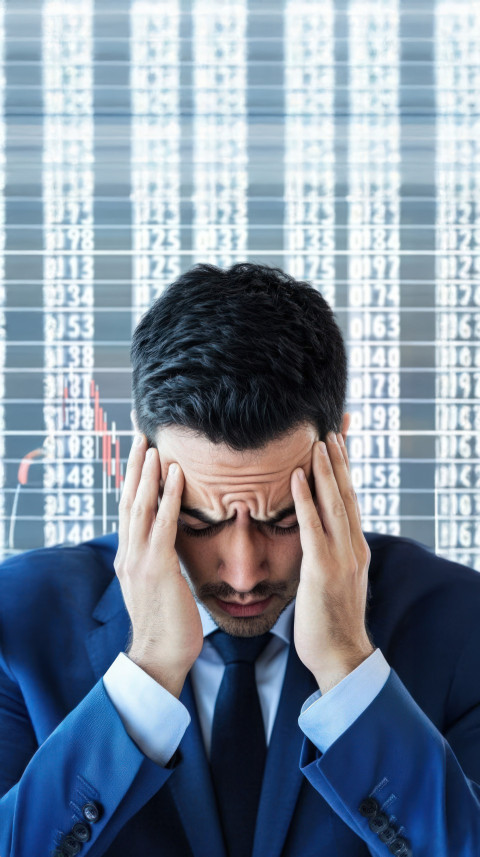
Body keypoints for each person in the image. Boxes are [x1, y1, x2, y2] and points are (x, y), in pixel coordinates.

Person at [0, 263, 479, 857]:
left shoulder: (465, 625)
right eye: (200, 522)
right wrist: (147, 670)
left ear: (339, 457)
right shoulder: (14, 622)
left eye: (282, 520)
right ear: (141, 465)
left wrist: (351, 670)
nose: (243, 572)